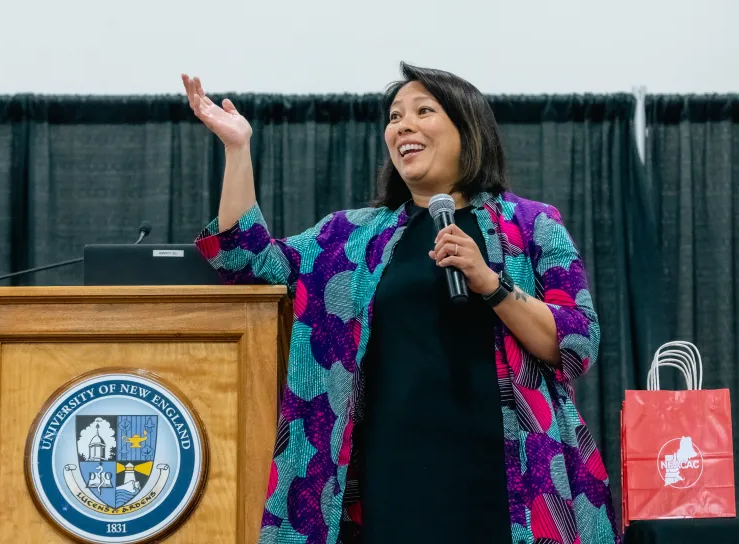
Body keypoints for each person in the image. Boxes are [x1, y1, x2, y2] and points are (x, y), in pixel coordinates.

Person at [186, 63, 621, 544]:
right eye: (395, 117)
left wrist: (492, 284)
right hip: (392, 477)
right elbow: (246, 259)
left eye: (423, 111)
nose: (403, 126)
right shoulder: (349, 238)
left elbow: (577, 341)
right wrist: (237, 148)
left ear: (467, 129)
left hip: (512, 474)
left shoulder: (532, 225)